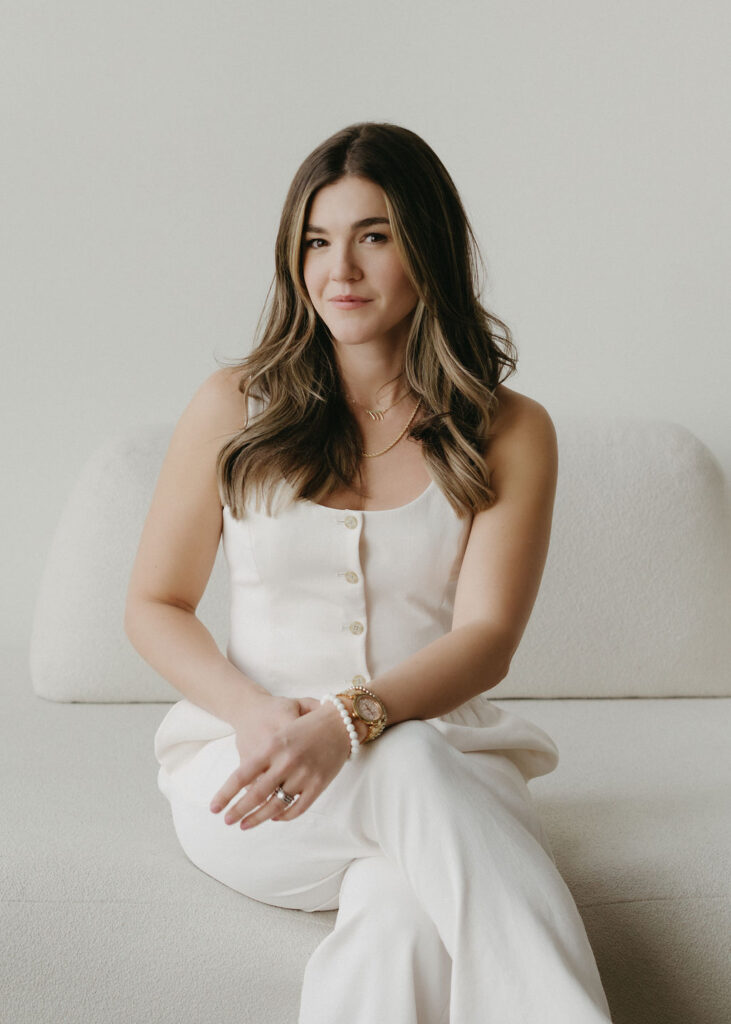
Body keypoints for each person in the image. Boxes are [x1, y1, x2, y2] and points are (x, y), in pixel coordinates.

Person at [124, 121, 613, 1023]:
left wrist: (350, 722)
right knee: (412, 773)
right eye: (317, 241)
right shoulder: (234, 404)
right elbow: (154, 604)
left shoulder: (509, 428)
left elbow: (487, 638)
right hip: (250, 774)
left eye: (373, 236)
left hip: (440, 759)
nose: (338, 270)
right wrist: (257, 715)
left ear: (426, 248)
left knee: (398, 910)